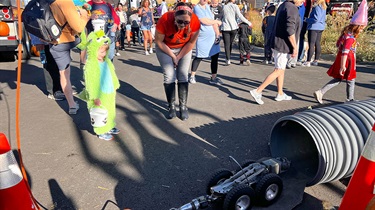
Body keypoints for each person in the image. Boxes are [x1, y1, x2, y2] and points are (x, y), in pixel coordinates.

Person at [249, 0, 304, 105]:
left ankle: (280, 93)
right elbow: (290, 30)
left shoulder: (284, 5)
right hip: (282, 44)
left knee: (281, 69)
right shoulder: (292, 8)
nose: (302, 2)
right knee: (279, 70)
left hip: (277, 42)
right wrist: (295, 47)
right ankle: (258, 91)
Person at [314, 0, 367, 104]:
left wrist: (354, 45)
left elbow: (339, 45)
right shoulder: (350, 38)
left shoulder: (346, 34)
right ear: (357, 27)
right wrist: (343, 65)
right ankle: (349, 99)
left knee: (338, 78)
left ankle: (321, 92)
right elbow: (345, 52)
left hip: (342, 59)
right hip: (347, 61)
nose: (361, 31)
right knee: (350, 80)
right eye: (361, 28)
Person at [155, 2, 200, 120]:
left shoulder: (195, 22)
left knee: (183, 75)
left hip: (184, 47)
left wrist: (179, 56)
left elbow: (191, 43)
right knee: (169, 75)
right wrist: (173, 56)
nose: (183, 25)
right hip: (165, 47)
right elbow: (159, 41)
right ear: (174, 17)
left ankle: (183, 106)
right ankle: (171, 106)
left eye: (186, 22)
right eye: (180, 21)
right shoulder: (164, 19)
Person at [50, 0, 90, 114]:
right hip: (68, 39)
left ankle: (72, 105)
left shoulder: (48, 2)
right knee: (87, 47)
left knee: (64, 74)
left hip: (54, 42)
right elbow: (78, 27)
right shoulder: (65, 2)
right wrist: (84, 15)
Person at [81, 30, 120, 141]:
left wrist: (115, 84)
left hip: (109, 90)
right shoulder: (91, 65)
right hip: (98, 93)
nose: (103, 54)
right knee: (99, 112)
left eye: (105, 52)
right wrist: (94, 97)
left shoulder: (106, 61)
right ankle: (101, 131)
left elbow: (112, 73)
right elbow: (90, 83)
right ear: (93, 50)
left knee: (110, 110)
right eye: (101, 52)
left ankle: (110, 125)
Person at [190, 0, 223, 85]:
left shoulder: (208, 7)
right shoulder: (197, 8)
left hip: (212, 36)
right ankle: (192, 76)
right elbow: (204, 21)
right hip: (203, 37)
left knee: (215, 56)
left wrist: (217, 34)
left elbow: (213, 22)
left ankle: (213, 77)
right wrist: (216, 21)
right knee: (199, 56)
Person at [30, 34, 65, 101]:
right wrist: (37, 41)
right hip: (45, 41)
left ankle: (62, 88)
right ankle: (53, 91)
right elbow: (32, 25)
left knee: (60, 64)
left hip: (58, 40)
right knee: (49, 65)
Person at [221, 0, 252, 65]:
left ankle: (228, 59)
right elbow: (240, 16)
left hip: (225, 27)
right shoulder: (235, 6)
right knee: (230, 43)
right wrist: (248, 22)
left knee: (226, 44)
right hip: (233, 27)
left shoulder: (224, 6)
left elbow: (221, 17)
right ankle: (228, 56)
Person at [302, 0, 327, 67]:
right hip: (320, 27)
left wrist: (306, 20)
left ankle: (308, 61)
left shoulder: (317, 7)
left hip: (314, 27)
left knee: (311, 44)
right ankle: (316, 60)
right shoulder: (324, 7)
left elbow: (316, 19)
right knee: (317, 43)